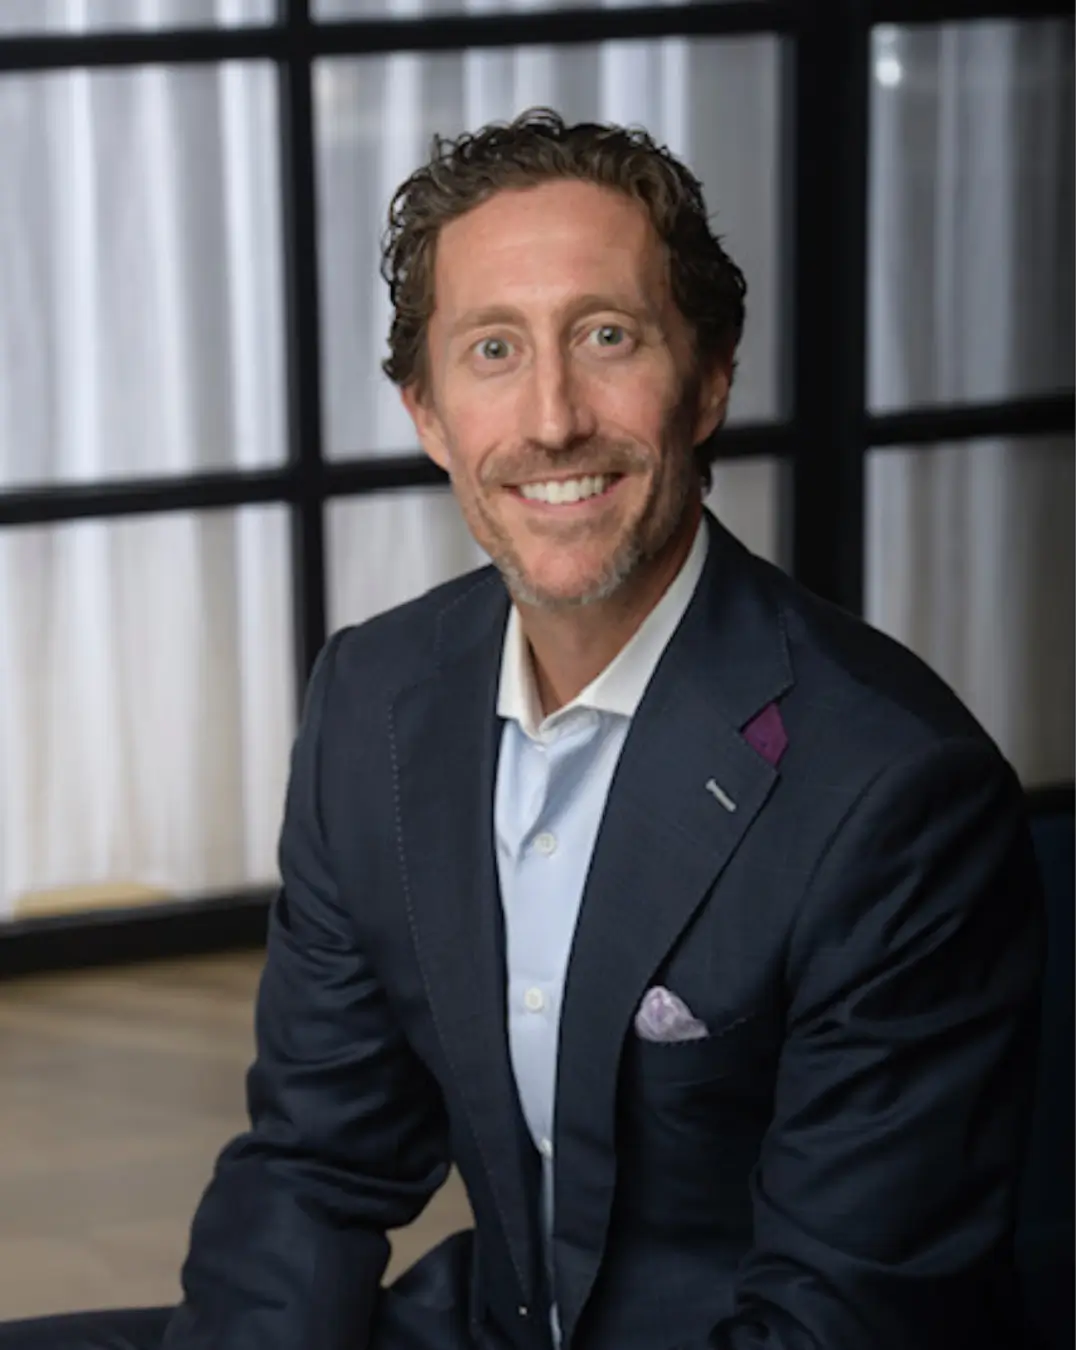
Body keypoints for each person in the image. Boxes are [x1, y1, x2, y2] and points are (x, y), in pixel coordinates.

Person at [2, 108, 1045, 1350]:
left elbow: (839, 1321)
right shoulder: (377, 699)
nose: (553, 420)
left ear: (710, 378)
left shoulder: (893, 789)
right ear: (428, 415)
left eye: (607, 336)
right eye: (493, 349)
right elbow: (317, 1164)